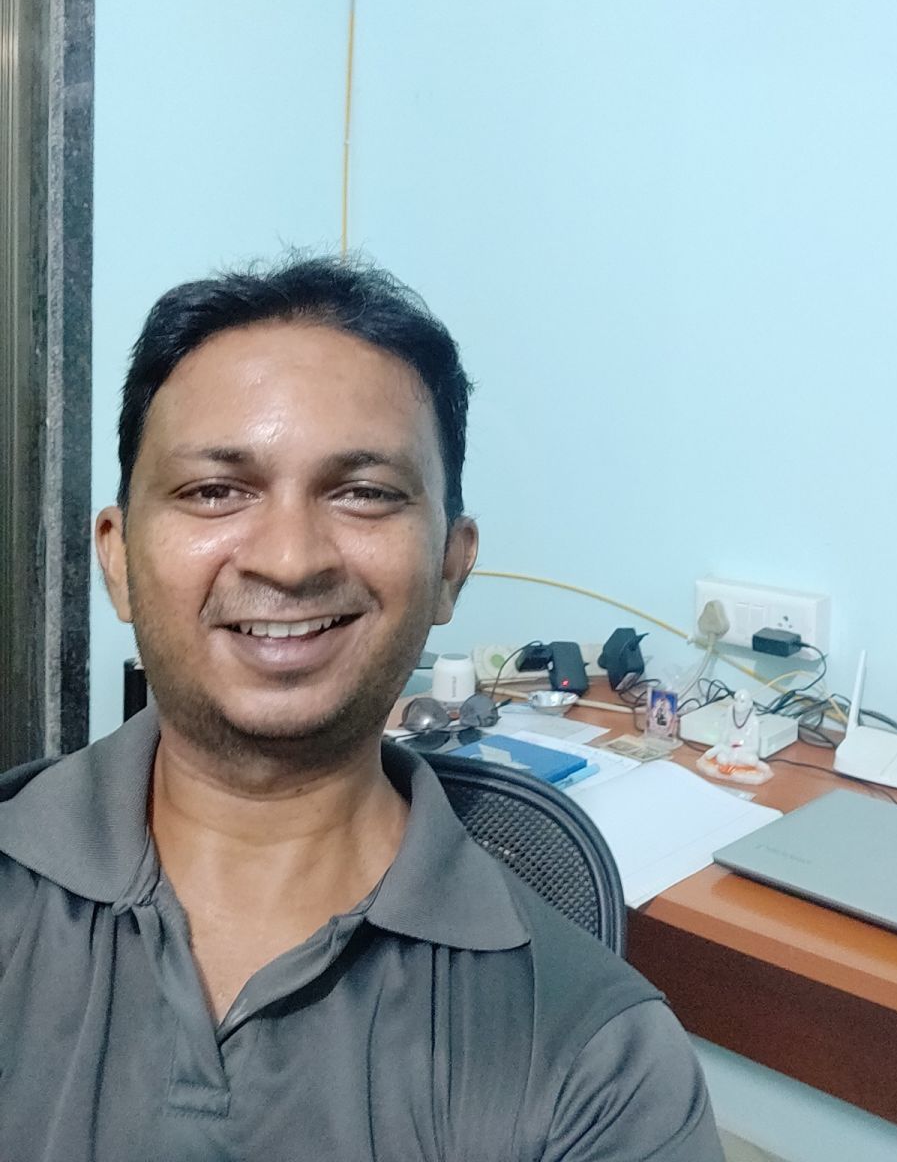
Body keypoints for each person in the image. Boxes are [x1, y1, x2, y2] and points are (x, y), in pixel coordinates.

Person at [0, 255, 724, 1161]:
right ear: (116, 557)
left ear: (451, 565)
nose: (290, 559)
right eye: (215, 491)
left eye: (365, 493)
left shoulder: (599, 1064)